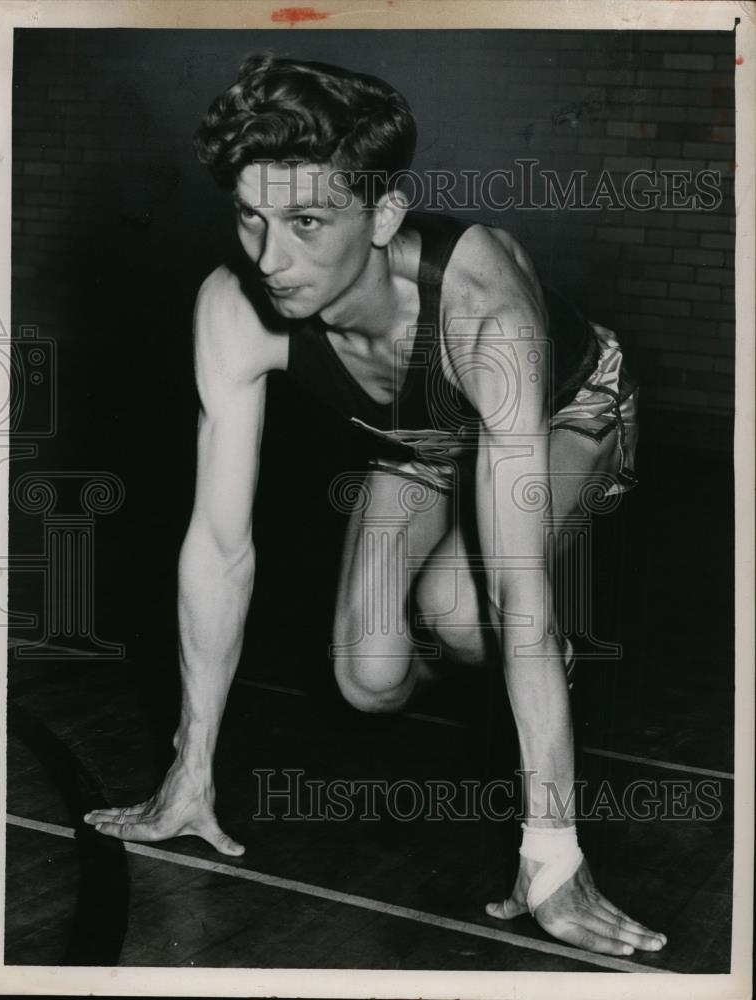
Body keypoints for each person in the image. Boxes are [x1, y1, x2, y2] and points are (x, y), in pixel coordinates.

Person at [84, 54, 665, 958]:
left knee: (467, 612)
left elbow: (521, 603)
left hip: (564, 412)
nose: (270, 258)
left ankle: (546, 719)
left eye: (307, 221)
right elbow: (218, 546)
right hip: (420, 440)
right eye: (250, 216)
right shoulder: (231, 309)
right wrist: (187, 771)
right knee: (366, 680)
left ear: (384, 214)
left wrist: (551, 857)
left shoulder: (483, 313)